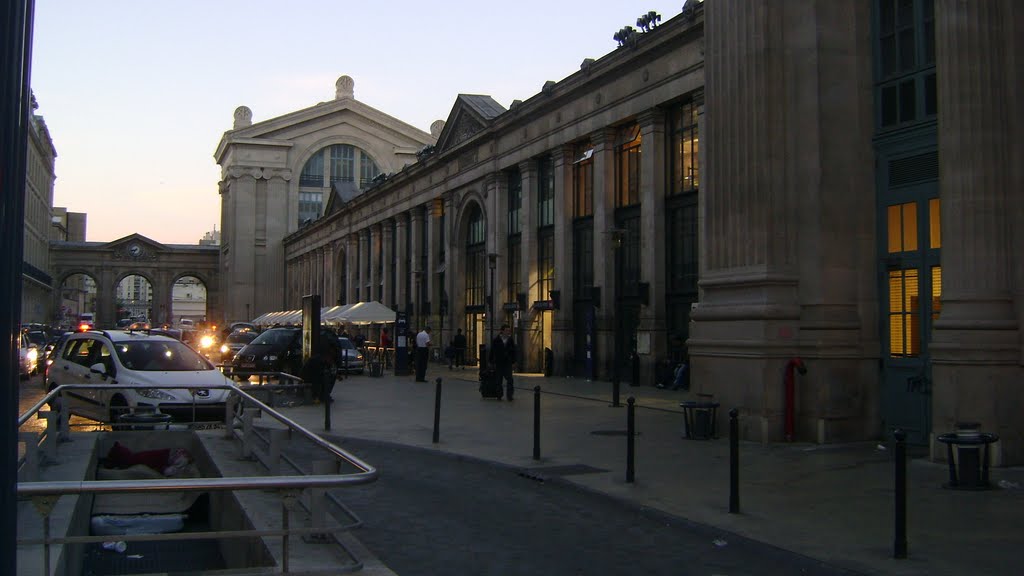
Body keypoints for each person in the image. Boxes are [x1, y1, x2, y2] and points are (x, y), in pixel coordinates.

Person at [490, 324, 517, 400]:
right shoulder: (496, 340)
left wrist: (514, 361)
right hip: (499, 362)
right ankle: (499, 395)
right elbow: (492, 351)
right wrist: (491, 361)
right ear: (502, 331)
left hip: (507, 362)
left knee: (510, 379)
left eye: (509, 330)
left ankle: (509, 395)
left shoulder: (510, 340)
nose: (508, 332)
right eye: (506, 330)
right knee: (498, 380)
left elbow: (513, 351)